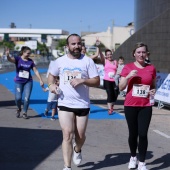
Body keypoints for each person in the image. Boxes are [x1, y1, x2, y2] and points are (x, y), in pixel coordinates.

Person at [47, 33, 100, 170]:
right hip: (65, 102)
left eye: (79, 43)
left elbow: (96, 81)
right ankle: (67, 166)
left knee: (80, 136)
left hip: (82, 103)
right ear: (67, 46)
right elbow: (51, 76)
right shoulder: (58, 61)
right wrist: (51, 85)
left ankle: (77, 149)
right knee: (67, 134)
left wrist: (83, 80)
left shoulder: (88, 61)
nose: (77, 46)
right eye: (73, 44)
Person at [119, 42, 156, 170]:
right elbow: (121, 86)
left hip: (145, 105)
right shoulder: (128, 67)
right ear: (134, 54)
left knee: (143, 134)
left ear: (147, 54)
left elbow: (153, 85)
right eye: (138, 52)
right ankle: (133, 156)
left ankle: (142, 162)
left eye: (143, 52)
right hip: (130, 105)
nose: (141, 54)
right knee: (133, 134)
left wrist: (153, 91)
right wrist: (128, 76)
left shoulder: (151, 68)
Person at [5, 46, 44, 119]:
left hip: (28, 82)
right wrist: (7, 55)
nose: (29, 55)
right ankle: (19, 108)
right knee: (18, 98)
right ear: (23, 52)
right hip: (19, 82)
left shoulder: (30, 61)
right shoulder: (18, 59)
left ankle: (24, 112)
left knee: (26, 98)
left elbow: (35, 70)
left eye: (30, 53)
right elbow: (10, 59)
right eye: (28, 53)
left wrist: (40, 79)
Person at [99, 48, 118, 115]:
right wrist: (99, 48)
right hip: (107, 80)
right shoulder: (105, 61)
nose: (109, 56)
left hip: (114, 80)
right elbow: (101, 55)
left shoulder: (115, 61)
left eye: (110, 54)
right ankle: (110, 109)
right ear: (106, 56)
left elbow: (118, 70)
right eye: (108, 55)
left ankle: (112, 105)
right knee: (110, 94)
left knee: (115, 94)